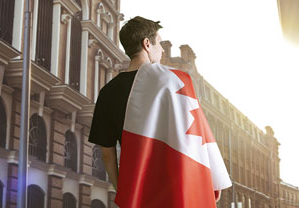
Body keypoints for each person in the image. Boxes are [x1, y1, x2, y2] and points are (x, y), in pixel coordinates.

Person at [88, 16, 231, 208]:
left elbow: (107, 151)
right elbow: (198, 137)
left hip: (140, 189)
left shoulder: (108, 92)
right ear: (147, 44)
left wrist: (123, 189)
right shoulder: (177, 81)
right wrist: (212, 179)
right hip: (178, 187)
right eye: (159, 43)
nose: (162, 49)